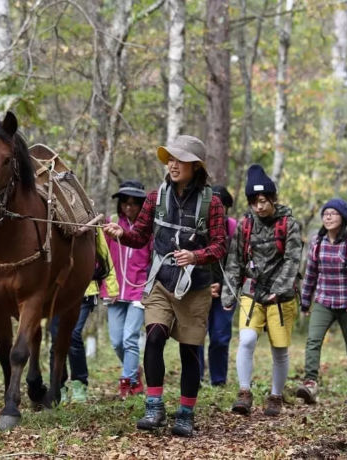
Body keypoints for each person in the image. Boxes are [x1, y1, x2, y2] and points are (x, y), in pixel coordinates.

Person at [103, 135, 226, 437]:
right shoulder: (155, 197)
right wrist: (121, 233)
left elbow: (221, 246)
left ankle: (185, 414)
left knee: (189, 352)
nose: (172, 164)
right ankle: (154, 406)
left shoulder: (213, 203)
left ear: (195, 166)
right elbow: (142, 235)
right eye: (170, 159)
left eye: (179, 160)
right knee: (154, 337)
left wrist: (196, 256)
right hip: (161, 282)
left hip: (195, 288)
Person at [221, 164, 302, 417]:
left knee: (279, 348)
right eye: (254, 202)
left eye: (264, 201)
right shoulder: (245, 225)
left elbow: (293, 258)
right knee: (246, 340)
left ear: (273, 199)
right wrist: (228, 292)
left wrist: (280, 288)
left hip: (281, 295)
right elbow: (234, 261)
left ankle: (276, 396)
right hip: (251, 290)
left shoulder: (289, 224)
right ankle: (244, 392)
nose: (259, 206)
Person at [296, 198, 347, 405]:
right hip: (324, 300)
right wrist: (305, 301)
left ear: (343, 217)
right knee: (313, 341)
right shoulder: (317, 242)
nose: (328, 217)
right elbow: (311, 273)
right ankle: (310, 384)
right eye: (325, 213)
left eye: (333, 213)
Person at [49, 227, 119, 403]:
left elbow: (104, 253)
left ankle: (80, 383)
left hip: (84, 290)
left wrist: (112, 286)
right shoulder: (52, 219)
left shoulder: (88, 221)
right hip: (56, 292)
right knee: (56, 338)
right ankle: (58, 386)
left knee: (72, 336)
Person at [103, 180, 152, 398]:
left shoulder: (149, 228)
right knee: (116, 341)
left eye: (134, 203)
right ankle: (134, 370)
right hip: (115, 290)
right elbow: (102, 256)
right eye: (125, 203)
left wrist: (150, 286)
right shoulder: (111, 223)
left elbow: (154, 257)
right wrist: (103, 283)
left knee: (130, 337)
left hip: (139, 288)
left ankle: (128, 382)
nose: (129, 208)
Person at [197, 185, 238, 386]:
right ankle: (194, 378)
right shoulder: (196, 227)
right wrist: (205, 285)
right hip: (199, 288)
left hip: (226, 291)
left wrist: (222, 286)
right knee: (194, 335)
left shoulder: (234, 229)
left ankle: (218, 380)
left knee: (220, 337)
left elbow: (238, 263)